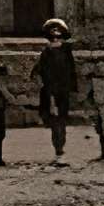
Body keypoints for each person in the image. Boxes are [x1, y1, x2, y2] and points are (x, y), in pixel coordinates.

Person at [33, 16, 76, 164]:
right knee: (54, 121)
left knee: (61, 120)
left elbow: (71, 72)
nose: (56, 37)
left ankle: (60, 149)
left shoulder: (66, 52)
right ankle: (58, 149)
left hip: (63, 91)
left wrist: (72, 89)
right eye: (53, 34)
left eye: (59, 34)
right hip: (50, 90)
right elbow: (41, 72)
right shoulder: (46, 53)